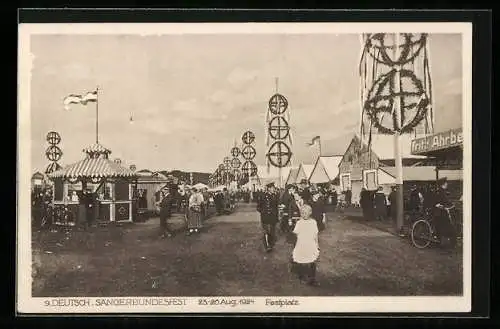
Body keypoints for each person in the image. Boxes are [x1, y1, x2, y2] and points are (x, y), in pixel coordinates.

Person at [291, 204, 320, 286]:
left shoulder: (313, 222)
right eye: (302, 213)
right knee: (301, 260)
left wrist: (317, 244)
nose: (304, 214)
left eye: (306, 213)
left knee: (312, 260)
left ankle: (312, 278)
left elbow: (316, 234)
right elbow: (296, 234)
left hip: (311, 244)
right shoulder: (299, 223)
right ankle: (301, 276)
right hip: (302, 244)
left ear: (310, 213)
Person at [432, 177, 456, 247]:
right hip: (440, 213)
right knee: (449, 227)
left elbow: (442, 201)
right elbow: (442, 202)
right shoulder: (441, 192)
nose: (447, 184)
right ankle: (452, 244)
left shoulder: (439, 191)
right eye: (446, 183)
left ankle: (441, 242)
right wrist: (451, 205)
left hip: (438, 213)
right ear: (443, 184)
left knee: (439, 228)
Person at [257, 182, 279, 252]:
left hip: (273, 217)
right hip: (265, 216)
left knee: (272, 231)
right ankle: (267, 246)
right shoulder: (263, 196)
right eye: (272, 188)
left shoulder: (275, 196)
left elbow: (276, 207)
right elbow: (258, 207)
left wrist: (276, 215)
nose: (274, 189)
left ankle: (270, 244)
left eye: (274, 188)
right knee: (266, 231)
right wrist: (263, 212)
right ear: (269, 188)